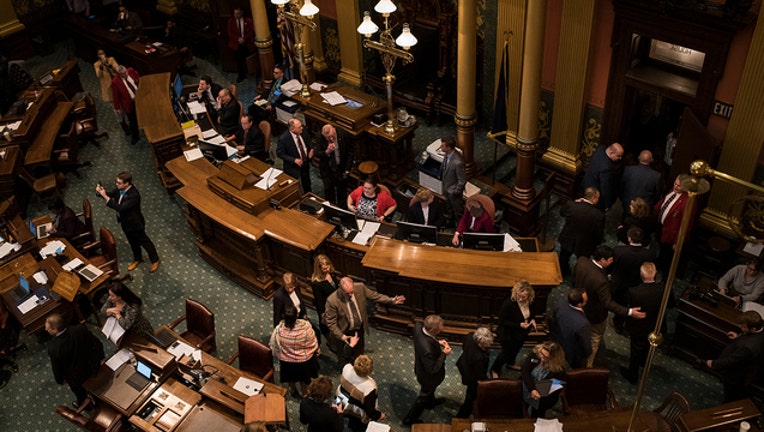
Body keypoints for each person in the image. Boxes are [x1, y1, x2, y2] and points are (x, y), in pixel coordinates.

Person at [576, 245, 645, 367]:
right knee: (595, 338)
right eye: (610, 260)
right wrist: (629, 312)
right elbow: (607, 303)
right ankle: (587, 365)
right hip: (595, 314)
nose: (612, 262)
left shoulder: (581, 261)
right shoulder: (600, 281)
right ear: (602, 260)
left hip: (578, 307)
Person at [325, 277, 405, 368]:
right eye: (347, 293)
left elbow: (375, 296)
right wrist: (342, 336)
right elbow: (331, 323)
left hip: (358, 329)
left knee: (359, 353)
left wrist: (392, 300)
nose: (351, 295)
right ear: (340, 288)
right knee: (344, 356)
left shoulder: (360, 287)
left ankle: (359, 370)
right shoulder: (332, 300)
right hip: (344, 332)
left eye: (352, 291)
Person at [96, 171, 160, 273]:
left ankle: (155, 259)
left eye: (119, 183)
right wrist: (101, 192)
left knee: (145, 242)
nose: (116, 184)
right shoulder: (120, 189)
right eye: (116, 182)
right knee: (132, 242)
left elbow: (121, 208)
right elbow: (112, 194)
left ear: (127, 184)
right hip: (125, 222)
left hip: (135, 223)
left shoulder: (134, 195)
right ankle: (138, 258)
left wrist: (105, 197)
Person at [45, 313, 104, 408]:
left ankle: (85, 404)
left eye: (47, 328)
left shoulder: (53, 348)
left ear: (55, 330)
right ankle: (98, 402)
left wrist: (60, 380)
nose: (46, 329)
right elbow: (96, 343)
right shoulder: (80, 328)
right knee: (96, 388)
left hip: (77, 377)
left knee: (80, 393)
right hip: (92, 366)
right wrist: (100, 357)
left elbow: (57, 367)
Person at [403, 315, 452, 426]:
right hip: (428, 377)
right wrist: (444, 354)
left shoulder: (418, 326)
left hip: (420, 366)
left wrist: (437, 342)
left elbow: (426, 339)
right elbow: (432, 369)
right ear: (433, 330)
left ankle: (430, 403)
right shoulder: (427, 350)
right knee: (423, 397)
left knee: (429, 393)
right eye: (440, 328)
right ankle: (409, 419)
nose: (442, 328)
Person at [621, 262, 664, 385]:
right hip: (656, 325)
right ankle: (643, 362)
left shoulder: (634, 292)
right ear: (655, 273)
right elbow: (670, 304)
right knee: (647, 346)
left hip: (638, 326)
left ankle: (632, 374)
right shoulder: (664, 289)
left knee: (636, 350)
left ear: (641, 274)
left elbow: (628, 306)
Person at [706, 311, 764, 402]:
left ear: (753, 329)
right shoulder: (760, 330)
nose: (740, 327)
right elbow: (748, 337)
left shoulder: (748, 348)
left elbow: (731, 360)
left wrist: (714, 364)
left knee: (731, 396)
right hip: (748, 370)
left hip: (738, 377)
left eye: (743, 327)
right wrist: (738, 337)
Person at [610, 227, 656, 334]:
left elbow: (612, 267)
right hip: (638, 286)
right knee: (634, 306)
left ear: (629, 238)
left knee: (620, 305)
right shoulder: (649, 254)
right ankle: (628, 326)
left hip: (620, 285)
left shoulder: (619, 250)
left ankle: (618, 324)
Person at [270, 305, 319, 397]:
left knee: (290, 379)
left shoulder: (279, 330)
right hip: (304, 361)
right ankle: (305, 394)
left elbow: (275, 346)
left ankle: (292, 390)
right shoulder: (306, 327)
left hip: (287, 362)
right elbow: (313, 342)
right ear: (296, 316)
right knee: (304, 380)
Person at [491, 281, 536, 376]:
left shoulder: (531, 302)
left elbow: (532, 314)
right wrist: (519, 325)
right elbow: (502, 321)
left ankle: (510, 363)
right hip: (508, 334)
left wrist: (532, 320)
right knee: (506, 353)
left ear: (529, 296)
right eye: (519, 295)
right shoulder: (509, 304)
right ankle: (495, 369)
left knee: (516, 349)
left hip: (522, 333)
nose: (520, 299)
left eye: (524, 297)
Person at [558, 187, 605, 276]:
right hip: (585, 244)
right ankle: (577, 279)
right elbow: (598, 234)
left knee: (563, 258)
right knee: (582, 264)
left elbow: (561, 212)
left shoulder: (572, 205)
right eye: (598, 198)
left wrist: (575, 202)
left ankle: (561, 273)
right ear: (594, 198)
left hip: (568, 238)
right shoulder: (599, 215)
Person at [654, 175, 696, 275]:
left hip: (671, 236)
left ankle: (664, 276)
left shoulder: (689, 201)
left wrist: (677, 242)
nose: (675, 187)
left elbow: (686, 225)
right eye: (675, 184)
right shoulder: (673, 190)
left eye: (679, 186)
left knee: (668, 257)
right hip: (662, 228)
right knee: (662, 251)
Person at [337, 355, 385, 432]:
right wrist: (379, 415)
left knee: (337, 410)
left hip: (340, 398)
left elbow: (344, 356)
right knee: (357, 424)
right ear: (370, 370)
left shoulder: (346, 367)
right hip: (356, 409)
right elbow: (369, 409)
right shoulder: (370, 387)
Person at [520, 342, 566, 418]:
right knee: (519, 409)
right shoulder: (535, 354)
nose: (542, 358)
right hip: (528, 386)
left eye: (546, 357)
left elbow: (552, 389)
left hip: (543, 397)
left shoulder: (559, 371)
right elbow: (525, 371)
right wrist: (532, 389)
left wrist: (537, 392)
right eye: (542, 354)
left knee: (537, 416)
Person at [456, 327, 493, 418]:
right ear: (481, 344)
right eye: (488, 343)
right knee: (471, 397)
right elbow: (480, 375)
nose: (491, 344)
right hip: (472, 376)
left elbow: (464, 346)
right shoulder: (479, 358)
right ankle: (461, 417)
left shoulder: (470, 336)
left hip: (464, 363)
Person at [550, 289, 592, 369]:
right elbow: (586, 347)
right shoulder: (583, 324)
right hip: (572, 354)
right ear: (580, 304)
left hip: (558, 342)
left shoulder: (559, 304)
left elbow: (553, 320)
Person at [315, 124, 354, 206]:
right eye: (328, 138)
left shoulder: (343, 134)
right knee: (329, 190)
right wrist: (327, 152)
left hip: (341, 168)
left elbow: (350, 152)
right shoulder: (319, 136)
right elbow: (317, 153)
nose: (331, 139)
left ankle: (341, 209)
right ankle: (331, 209)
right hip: (327, 169)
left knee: (342, 191)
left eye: (332, 136)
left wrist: (347, 169)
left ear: (334, 130)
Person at [582, 142, 623, 211]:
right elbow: (606, 187)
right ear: (611, 153)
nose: (620, 158)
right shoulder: (607, 168)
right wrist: (607, 205)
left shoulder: (601, 148)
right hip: (595, 191)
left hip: (587, 182)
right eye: (618, 156)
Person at [277, 117, 313, 193]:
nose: (302, 128)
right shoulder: (283, 139)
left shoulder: (303, 131)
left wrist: (311, 149)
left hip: (305, 162)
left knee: (306, 181)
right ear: (292, 129)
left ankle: (308, 194)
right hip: (293, 167)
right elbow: (280, 153)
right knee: (293, 186)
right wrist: (294, 160)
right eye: (299, 127)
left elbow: (308, 140)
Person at [311, 255, 341, 337]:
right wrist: (323, 314)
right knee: (328, 329)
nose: (327, 269)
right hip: (327, 307)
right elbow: (319, 300)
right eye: (324, 269)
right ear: (319, 269)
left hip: (336, 304)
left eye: (328, 266)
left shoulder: (331, 273)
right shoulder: (316, 283)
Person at [439, 136, 466, 224]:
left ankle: (458, 227)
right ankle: (449, 220)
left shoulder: (458, 162)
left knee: (458, 211)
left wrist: (456, 192)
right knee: (448, 207)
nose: (440, 147)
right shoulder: (447, 154)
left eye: (442, 146)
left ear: (449, 148)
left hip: (454, 192)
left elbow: (462, 180)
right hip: (446, 187)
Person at [111, 65, 140, 144]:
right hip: (129, 103)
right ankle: (135, 137)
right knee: (133, 121)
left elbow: (137, 77)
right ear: (119, 74)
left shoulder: (130, 70)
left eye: (125, 72)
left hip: (139, 99)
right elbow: (115, 96)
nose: (126, 75)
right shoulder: (115, 82)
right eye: (123, 74)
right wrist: (117, 108)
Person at [227, 8, 255, 83]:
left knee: (250, 59)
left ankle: (252, 73)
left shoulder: (248, 21)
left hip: (247, 44)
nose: (236, 15)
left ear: (241, 13)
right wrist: (238, 39)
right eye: (235, 14)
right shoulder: (231, 21)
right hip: (236, 45)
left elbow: (251, 32)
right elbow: (230, 33)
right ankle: (241, 75)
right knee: (238, 61)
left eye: (238, 13)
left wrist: (244, 39)